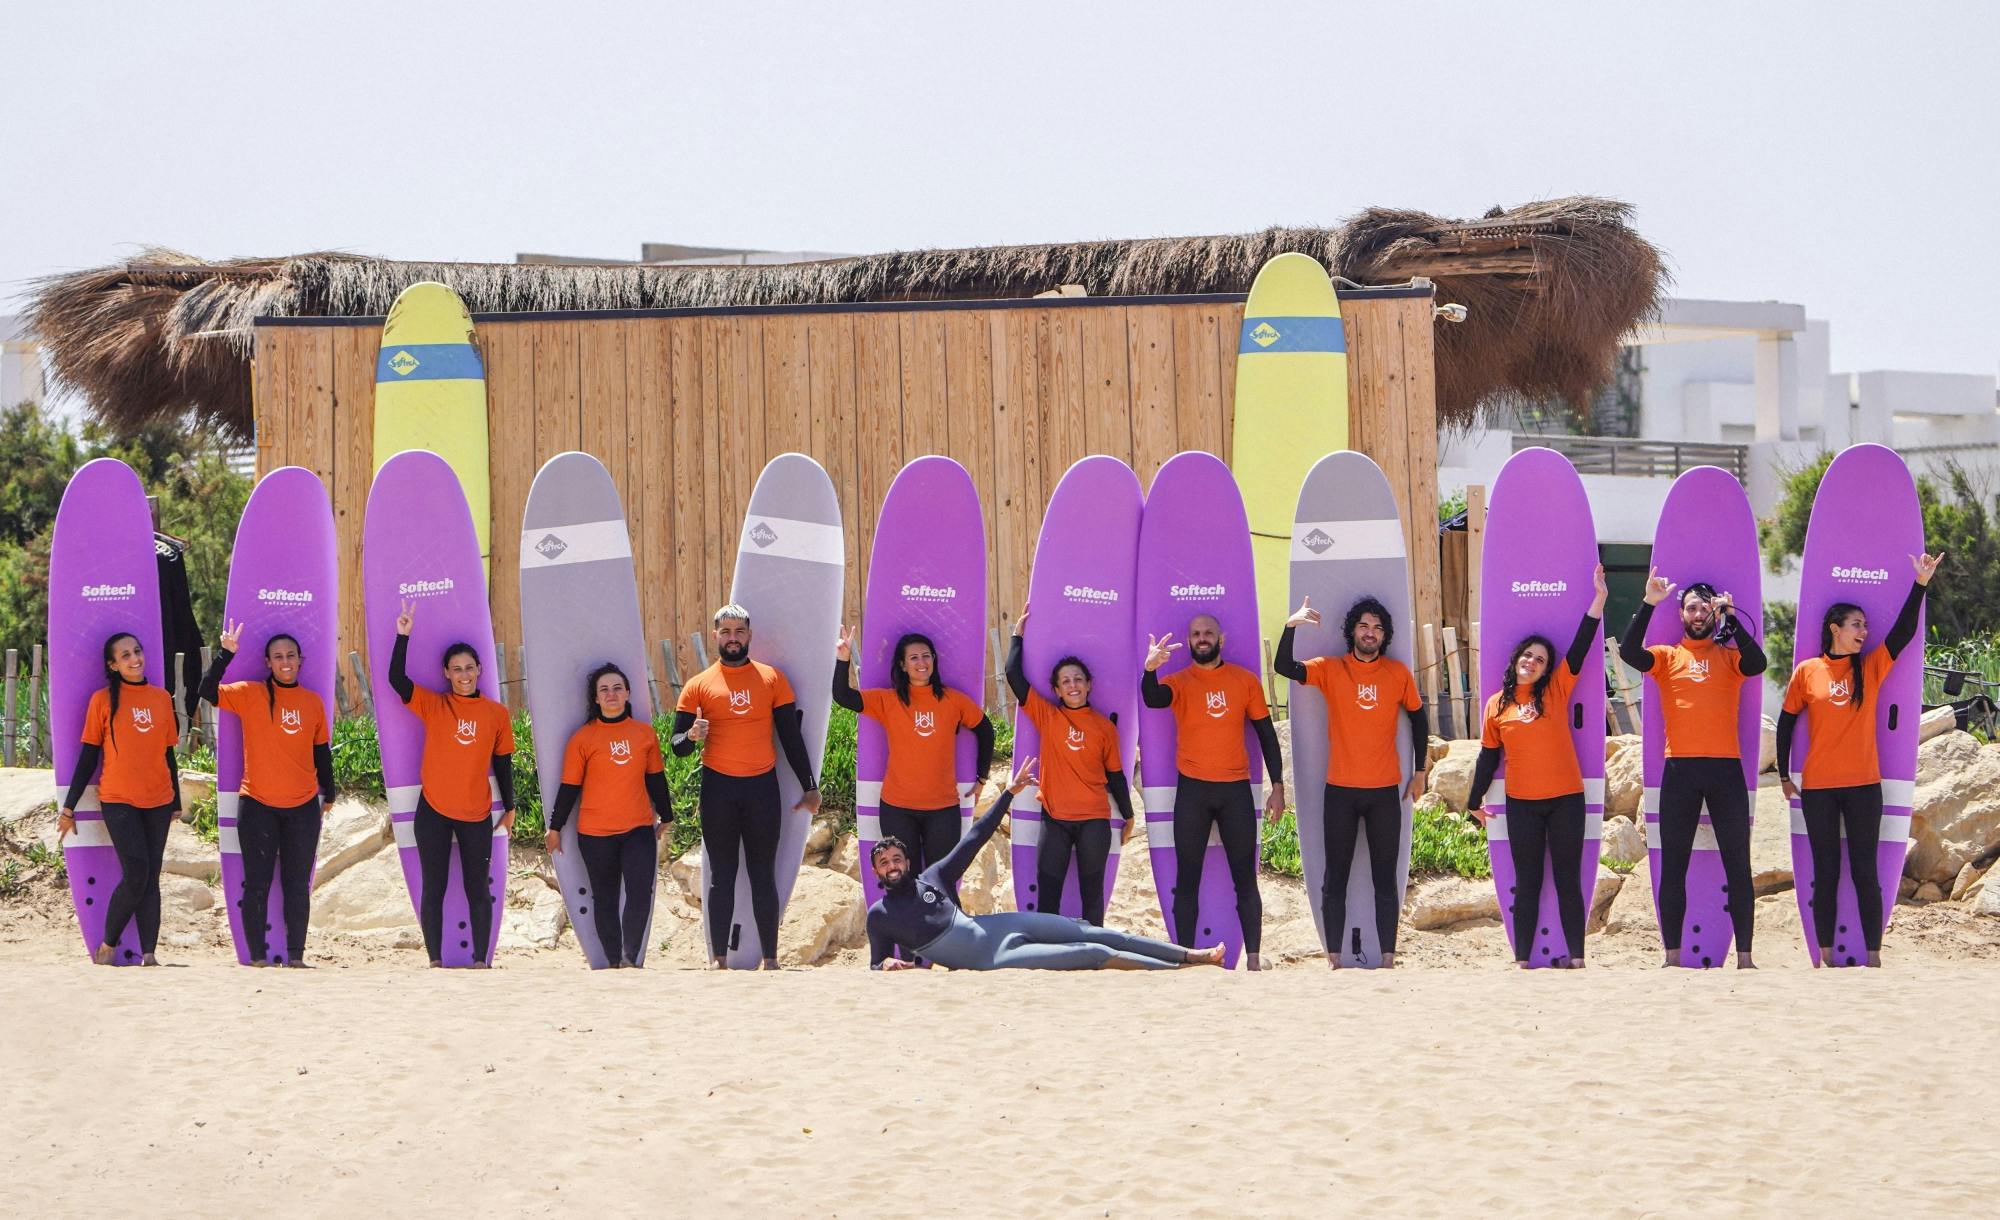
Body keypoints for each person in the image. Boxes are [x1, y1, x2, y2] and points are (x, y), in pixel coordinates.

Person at [868, 760, 1225, 971]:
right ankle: (1176, 969)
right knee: (1093, 953)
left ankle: (1190, 954)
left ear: (908, 862)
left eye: (896, 858)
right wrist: (886, 964)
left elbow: (975, 837)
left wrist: (1009, 793)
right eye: (884, 863)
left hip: (1000, 925)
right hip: (995, 956)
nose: (892, 866)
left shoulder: (933, 878)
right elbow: (877, 962)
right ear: (877, 873)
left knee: (1092, 932)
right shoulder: (880, 915)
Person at [1777, 552, 1941, 969]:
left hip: (1865, 787)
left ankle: (1873, 956)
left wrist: (1920, 584)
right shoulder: (1807, 671)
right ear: (1835, 629)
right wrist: (1783, 775)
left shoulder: (1869, 668)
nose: (1864, 632)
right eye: (1856, 625)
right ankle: (1825, 957)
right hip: (1819, 789)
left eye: (1865, 625)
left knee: (1866, 872)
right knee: (1827, 873)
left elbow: (1903, 633)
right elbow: (1786, 722)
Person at [1618, 572, 1768, 969]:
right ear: (1681, 614)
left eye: (1705, 608)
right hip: (1680, 770)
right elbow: (1630, 652)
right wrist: (1648, 603)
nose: (1698, 614)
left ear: (1713, 613)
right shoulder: (1667, 657)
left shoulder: (1730, 658)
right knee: (1673, 865)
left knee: (1738, 864)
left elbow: (1758, 663)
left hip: (1726, 771)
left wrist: (1730, 615)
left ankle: (1746, 958)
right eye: (1691, 608)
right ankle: (1672, 957)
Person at [1273, 596, 1431, 969]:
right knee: (1335, 878)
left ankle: (1388, 959)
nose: (1370, 633)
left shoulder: (1397, 674)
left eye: (1377, 627)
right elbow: (1283, 667)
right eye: (1364, 626)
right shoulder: (1331, 669)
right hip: (1340, 792)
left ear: (1384, 635)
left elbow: (1418, 719)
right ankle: (1334, 960)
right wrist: (1291, 625)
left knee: (1385, 880)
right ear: (1353, 631)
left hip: (1384, 792)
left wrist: (1420, 771)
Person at [1466, 565, 1609, 969]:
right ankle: (1522, 961)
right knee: (1526, 884)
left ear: (1547, 669)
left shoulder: (1557, 689)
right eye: (1528, 655)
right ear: (1517, 660)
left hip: (1566, 801)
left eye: (1540, 659)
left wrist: (1599, 598)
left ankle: (1577, 959)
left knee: (1567, 881)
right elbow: (1488, 756)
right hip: (1522, 805)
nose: (1532, 661)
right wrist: (1473, 800)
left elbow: (1581, 645)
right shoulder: (1496, 704)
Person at [672, 603, 822, 970]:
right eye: (726, 632)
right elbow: (677, 747)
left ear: (749, 635)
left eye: (739, 631)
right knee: (721, 876)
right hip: (718, 790)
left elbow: (790, 737)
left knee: (762, 873)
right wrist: (691, 735)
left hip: (761, 790)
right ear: (715, 636)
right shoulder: (698, 686)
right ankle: (718, 959)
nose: (733, 638)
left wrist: (809, 785)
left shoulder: (772, 679)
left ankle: (771, 959)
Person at [1140, 613, 1285, 968]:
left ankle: (1253, 958)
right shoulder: (1179, 681)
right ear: (1189, 641)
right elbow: (1154, 699)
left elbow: (1266, 735)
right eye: (1195, 634)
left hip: (1235, 791)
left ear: (1221, 639)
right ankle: (1186, 958)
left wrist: (1278, 786)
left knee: (1245, 879)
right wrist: (1149, 670)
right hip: (1193, 791)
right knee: (1187, 879)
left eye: (1208, 633)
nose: (1201, 638)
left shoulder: (1244, 681)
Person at [388, 600, 518, 969]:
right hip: (433, 810)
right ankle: (434, 960)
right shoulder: (435, 705)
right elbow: (397, 681)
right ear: (446, 673)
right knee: (435, 887)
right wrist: (402, 636)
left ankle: (480, 961)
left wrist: (510, 807)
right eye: (457, 669)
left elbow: (502, 762)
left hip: (476, 812)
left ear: (480, 670)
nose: (464, 674)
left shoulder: (496, 714)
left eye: (469, 668)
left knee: (478, 888)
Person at [198, 619, 335, 967]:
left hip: (302, 806)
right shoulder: (250, 693)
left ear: (300, 660)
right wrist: (225, 654)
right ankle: (257, 957)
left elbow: (321, 751)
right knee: (257, 883)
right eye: (278, 657)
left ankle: (296, 956)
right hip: (257, 804)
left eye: (291, 656)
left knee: (296, 884)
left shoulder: (313, 702)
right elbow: (207, 691)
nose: (285, 662)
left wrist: (330, 793)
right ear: (268, 663)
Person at [1004, 604, 1137, 926]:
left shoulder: (1104, 727)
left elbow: (1115, 775)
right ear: (1056, 690)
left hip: (1094, 821)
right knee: (1048, 896)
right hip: (1055, 820)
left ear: (1089, 684)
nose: (1073, 685)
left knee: (1093, 896)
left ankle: (1093, 948)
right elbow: (1013, 676)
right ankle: (1050, 949)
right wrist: (1017, 636)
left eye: (1078, 679)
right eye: (1065, 681)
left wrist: (1129, 815)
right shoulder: (1047, 716)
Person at [832, 626, 996, 884]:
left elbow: (985, 731)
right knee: (904, 885)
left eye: (926, 656)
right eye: (914, 658)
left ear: (934, 660)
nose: (921, 662)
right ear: (903, 665)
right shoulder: (888, 700)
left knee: (939, 884)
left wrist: (982, 777)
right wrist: (842, 658)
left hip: (943, 810)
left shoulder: (954, 701)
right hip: (897, 809)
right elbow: (843, 696)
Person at [57, 632, 182, 966]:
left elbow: (168, 754)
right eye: (125, 655)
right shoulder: (102, 700)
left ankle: (149, 954)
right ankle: (108, 944)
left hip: (159, 799)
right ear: (113, 665)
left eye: (137, 651)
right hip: (118, 799)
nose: (135, 658)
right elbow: (88, 756)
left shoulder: (161, 698)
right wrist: (69, 806)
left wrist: (176, 801)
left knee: (151, 875)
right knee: (137, 871)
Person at [544, 663, 673, 969]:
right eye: (604, 689)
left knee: (640, 892)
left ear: (628, 693)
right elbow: (569, 787)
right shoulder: (583, 738)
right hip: (595, 834)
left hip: (637, 829)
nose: (611, 694)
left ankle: (630, 957)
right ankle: (613, 961)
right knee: (604, 897)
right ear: (596, 698)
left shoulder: (644, 734)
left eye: (617, 688)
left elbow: (656, 778)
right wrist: (555, 827)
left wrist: (666, 814)